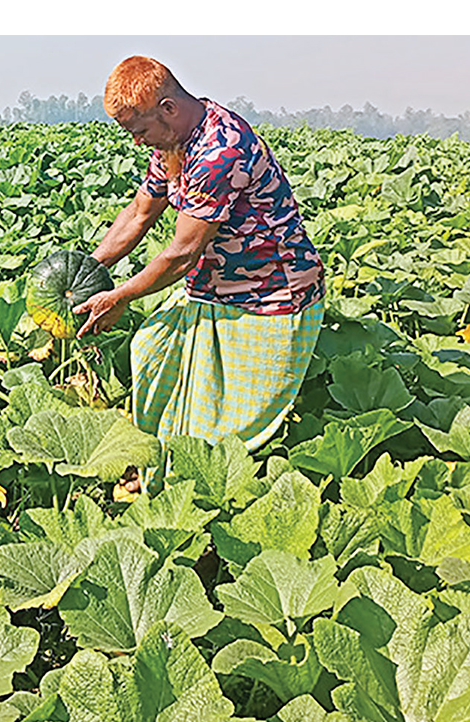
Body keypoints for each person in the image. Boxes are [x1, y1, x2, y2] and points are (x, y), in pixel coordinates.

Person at [73, 55, 325, 458]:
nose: (138, 142)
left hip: (270, 295)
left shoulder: (219, 151)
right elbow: (139, 214)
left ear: (168, 108)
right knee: (150, 350)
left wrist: (118, 297)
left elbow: (182, 254)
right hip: (213, 285)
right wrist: (84, 271)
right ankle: (154, 459)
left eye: (139, 131)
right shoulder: (172, 140)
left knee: (226, 422)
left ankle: (206, 480)